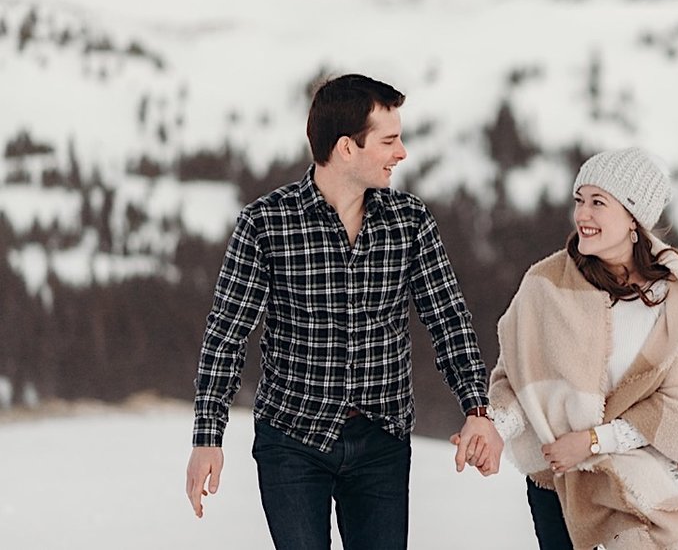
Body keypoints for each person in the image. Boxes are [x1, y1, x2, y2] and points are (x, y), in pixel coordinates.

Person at [185, 73, 503, 550]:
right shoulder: (266, 225)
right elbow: (226, 336)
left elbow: (448, 320)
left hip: (381, 441)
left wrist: (477, 408)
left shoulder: (409, 223)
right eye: (389, 140)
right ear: (346, 148)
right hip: (292, 440)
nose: (402, 153)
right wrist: (207, 437)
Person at [485, 147, 678, 550]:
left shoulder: (675, 297)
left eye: (598, 203)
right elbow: (515, 380)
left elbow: (677, 404)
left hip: (631, 478)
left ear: (633, 220)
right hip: (556, 481)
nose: (582, 215)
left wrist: (591, 442)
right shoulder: (545, 284)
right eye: (579, 201)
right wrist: (493, 429)